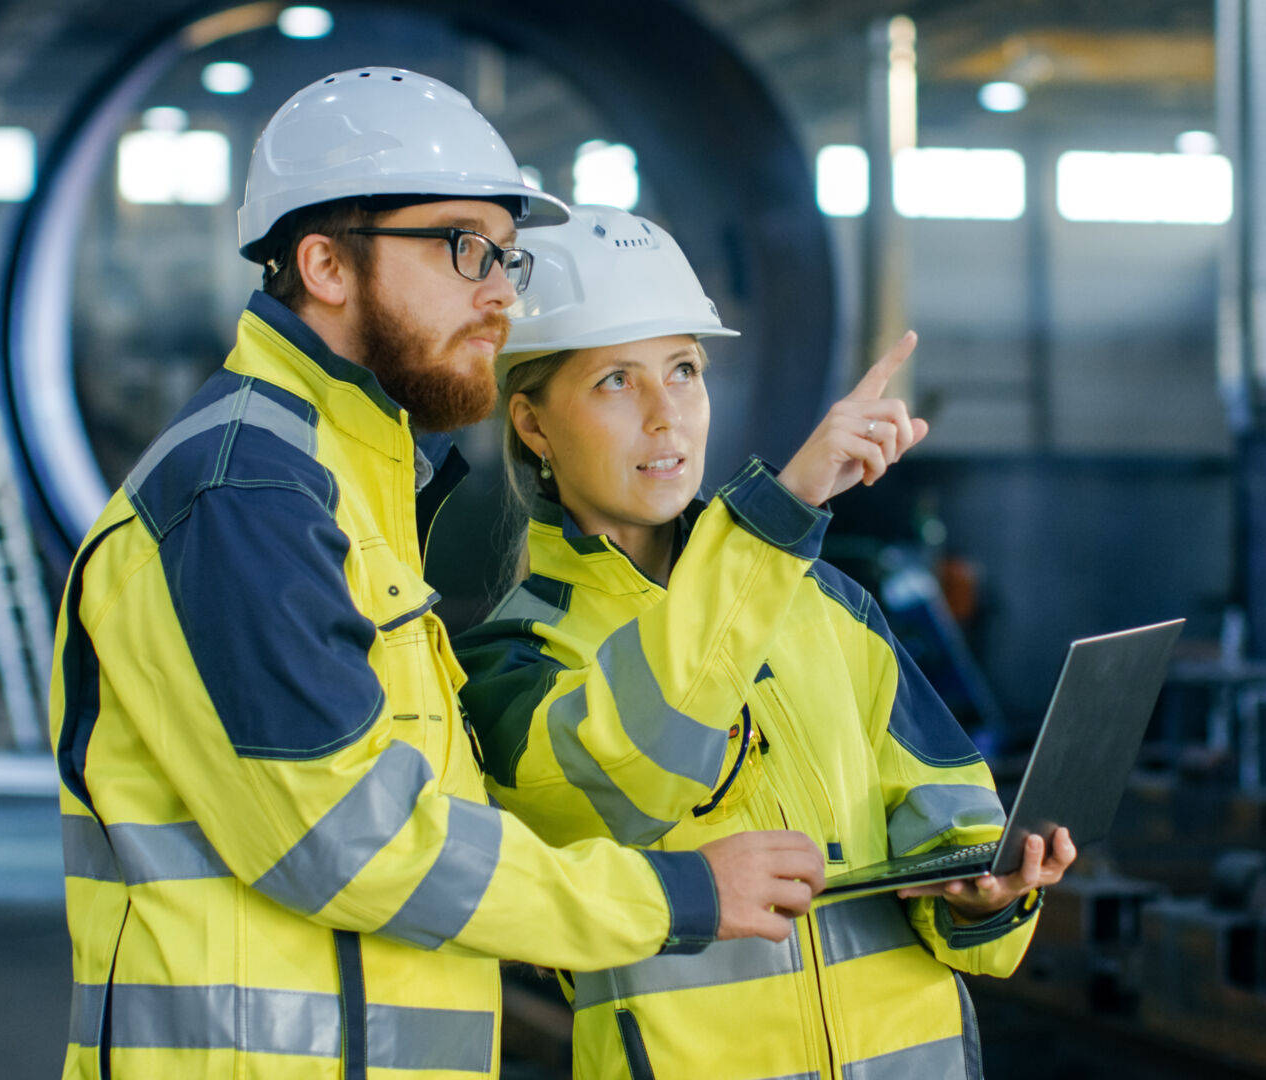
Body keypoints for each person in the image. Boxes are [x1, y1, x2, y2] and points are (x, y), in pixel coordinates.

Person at [48, 70, 824, 1080]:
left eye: (505, 255)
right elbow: (347, 842)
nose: (501, 292)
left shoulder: (346, 479)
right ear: (326, 264)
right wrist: (671, 897)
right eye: (464, 247)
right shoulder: (246, 492)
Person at [452, 205, 1077, 1080]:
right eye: (615, 383)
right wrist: (783, 509)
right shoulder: (511, 662)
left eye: (683, 371)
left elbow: (947, 805)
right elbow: (636, 772)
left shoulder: (825, 603)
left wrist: (983, 892)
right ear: (531, 425)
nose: (667, 417)